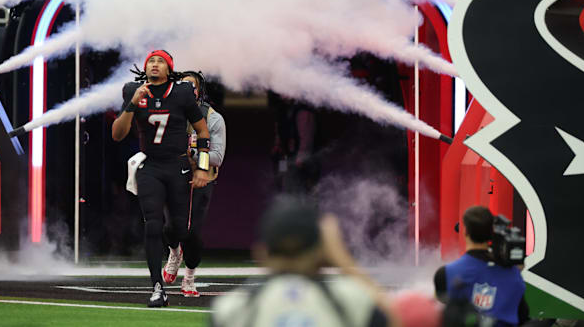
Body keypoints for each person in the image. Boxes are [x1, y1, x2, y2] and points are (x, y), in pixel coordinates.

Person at [111, 50, 210, 307]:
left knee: (181, 229)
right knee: (152, 224)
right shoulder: (134, 90)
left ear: (170, 69)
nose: (155, 64)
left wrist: (201, 167)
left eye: (160, 61)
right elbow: (117, 134)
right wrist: (133, 103)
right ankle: (157, 287)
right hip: (150, 166)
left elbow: (202, 131)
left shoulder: (182, 92)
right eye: (151, 61)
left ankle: (175, 250)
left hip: (178, 165)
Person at [211, 197, 395, 327]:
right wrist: (344, 260)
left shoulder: (233, 309)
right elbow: (398, 319)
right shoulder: (351, 301)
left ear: (261, 254)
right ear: (322, 252)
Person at [162, 71, 226, 298]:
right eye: (182, 85)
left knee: (193, 233)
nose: (187, 90)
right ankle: (174, 252)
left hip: (201, 178)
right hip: (174, 176)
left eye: (192, 86)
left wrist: (194, 155)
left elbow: (217, 156)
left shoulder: (212, 117)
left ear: (200, 92)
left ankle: (189, 275)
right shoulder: (168, 112)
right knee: (170, 227)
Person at [434, 206, 528, 327]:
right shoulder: (513, 274)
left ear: (465, 231)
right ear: (491, 232)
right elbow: (522, 315)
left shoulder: (445, 273)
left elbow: (441, 310)